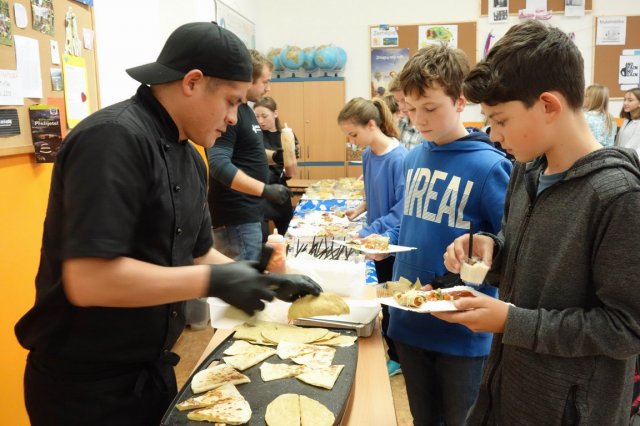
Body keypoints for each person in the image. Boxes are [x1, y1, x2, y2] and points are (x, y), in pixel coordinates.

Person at [13, 22, 321, 426]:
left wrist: (260, 281)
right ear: (192, 82)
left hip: (151, 371)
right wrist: (215, 281)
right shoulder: (113, 139)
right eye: (231, 102)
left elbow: (197, 253)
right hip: (85, 390)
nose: (233, 118)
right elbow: (89, 280)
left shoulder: (190, 156)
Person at [437, 20, 640, 426]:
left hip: (571, 410)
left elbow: (626, 328)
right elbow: (524, 253)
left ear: (548, 105)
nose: (494, 136)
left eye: (501, 120)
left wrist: (512, 322)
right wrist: (491, 251)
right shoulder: (526, 170)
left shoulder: (618, 196)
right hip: (507, 390)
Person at [384, 44, 512, 425]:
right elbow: (412, 224)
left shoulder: (490, 165)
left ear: (460, 101)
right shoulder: (413, 158)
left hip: (461, 332)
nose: (419, 120)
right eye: (411, 109)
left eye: (430, 108)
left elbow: (509, 247)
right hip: (409, 322)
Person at [337, 96, 408, 377]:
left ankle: (399, 356)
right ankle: (393, 349)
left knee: (394, 302)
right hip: (376, 240)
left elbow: (400, 211)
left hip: (393, 243)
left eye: (353, 134)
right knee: (383, 296)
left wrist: (367, 232)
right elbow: (374, 193)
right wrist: (361, 209)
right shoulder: (368, 155)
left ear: (371, 125)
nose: (352, 141)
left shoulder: (399, 158)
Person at [207, 49, 291, 261]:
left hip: (249, 215)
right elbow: (217, 163)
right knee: (242, 277)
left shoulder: (246, 110)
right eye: (265, 82)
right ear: (249, 80)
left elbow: (248, 152)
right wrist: (264, 189)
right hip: (236, 219)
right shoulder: (230, 113)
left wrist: (276, 157)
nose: (268, 88)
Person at [254, 96, 299, 238]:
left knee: (287, 235)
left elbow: (291, 172)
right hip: (260, 191)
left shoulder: (286, 135)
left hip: (280, 190)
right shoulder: (254, 136)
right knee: (261, 238)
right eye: (256, 117)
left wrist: (290, 160)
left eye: (264, 116)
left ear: (275, 114)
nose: (260, 121)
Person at [388, 76, 423, 150]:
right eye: (397, 101)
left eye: (404, 100)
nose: (400, 107)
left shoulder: (427, 126)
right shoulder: (400, 124)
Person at [615, 87, 640, 155]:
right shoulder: (625, 120)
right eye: (625, 100)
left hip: (628, 158)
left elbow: (632, 146)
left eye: (630, 100)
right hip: (619, 156)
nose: (625, 103)